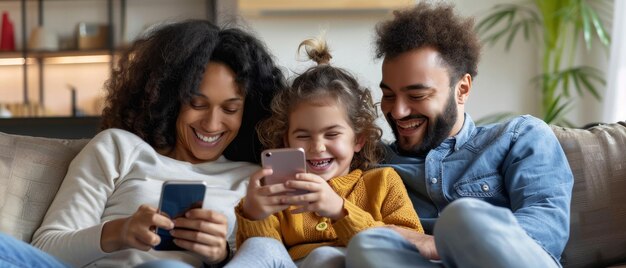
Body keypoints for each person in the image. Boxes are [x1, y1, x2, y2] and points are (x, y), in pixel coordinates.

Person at [0, 19, 288, 267]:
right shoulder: (117, 148)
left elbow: (266, 257)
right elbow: (46, 249)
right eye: (197, 104)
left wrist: (220, 256)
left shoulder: (252, 181)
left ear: (246, 112)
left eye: (229, 109)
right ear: (170, 98)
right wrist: (119, 232)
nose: (212, 124)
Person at [344, 2, 574, 268]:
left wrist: (435, 243)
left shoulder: (519, 137)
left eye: (417, 95)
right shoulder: (371, 161)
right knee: (368, 244)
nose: (397, 111)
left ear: (462, 89)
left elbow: (546, 231)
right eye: (389, 95)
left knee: (463, 216)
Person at [227, 37, 424, 268]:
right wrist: (254, 215)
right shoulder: (278, 192)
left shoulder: (383, 182)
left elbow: (410, 249)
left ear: (358, 139)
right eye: (303, 136)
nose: (317, 147)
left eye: (331, 135)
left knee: (325, 257)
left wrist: (340, 211)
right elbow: (265, 256)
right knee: (260, 246)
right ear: (286, 140)